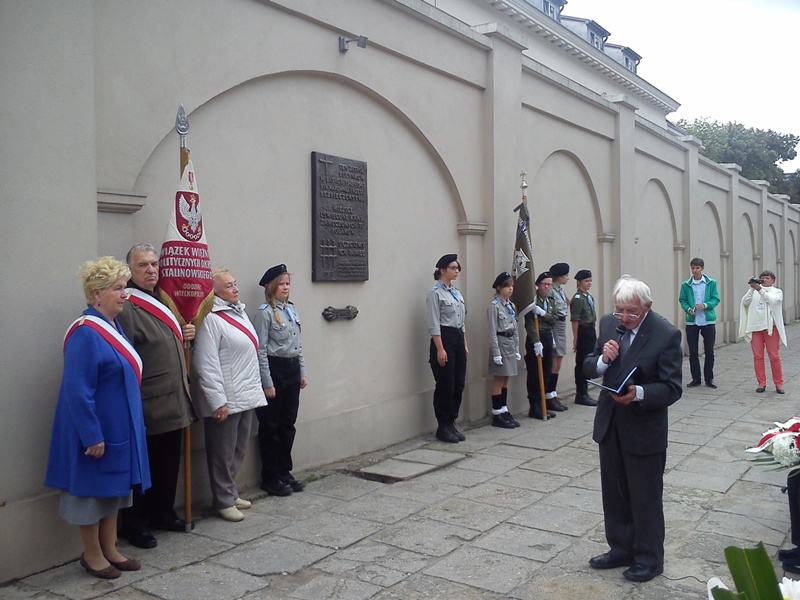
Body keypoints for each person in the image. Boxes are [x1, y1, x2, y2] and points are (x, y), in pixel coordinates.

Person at [45, 257, 150, 579]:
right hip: (94, 431)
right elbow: (78, 391)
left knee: (113, 489)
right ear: (96, 294)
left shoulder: (113, 327)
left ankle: (110, 548)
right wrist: (91, 435)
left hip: (118, 427)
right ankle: (92, 554)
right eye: (118, 289)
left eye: (124, 289)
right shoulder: (86, 334)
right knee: (91, 494)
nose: (124, 295)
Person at [583, 275, 682, 583]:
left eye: (631, 312)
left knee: (644, 497)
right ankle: (620, 548)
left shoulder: (665, 334)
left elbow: (671, 388)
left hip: (643, 429)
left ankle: (650, 558)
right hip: (610, 424)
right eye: (619, 311)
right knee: (614, 493)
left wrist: (639, 393)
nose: (624, 318)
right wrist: (602, 359)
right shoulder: (607, 324)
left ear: (647, 307)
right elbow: (587, 365)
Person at [116, 243, 196, 549]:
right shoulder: (129, 305)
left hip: (175, 397)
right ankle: (137, 524)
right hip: (149, 398)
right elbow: (128, 353)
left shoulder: (163, 299)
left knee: (167, 462)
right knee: (144, 465)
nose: (151, 270)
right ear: (131, 271)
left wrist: (186, 334)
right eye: (143, 266)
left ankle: (164, 512)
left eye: (154, 264)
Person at [191, 268, 266, 521]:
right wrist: (217, 401)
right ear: (215, 293)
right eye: (228, 286)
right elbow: (206, 364)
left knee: (237, 449)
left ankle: (230, 492)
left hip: (245, 393)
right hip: (226, 398)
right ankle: (222, 499)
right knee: (221, 453)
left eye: (235, 284)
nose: (235, 289)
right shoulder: (211, 319)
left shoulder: (239, 312)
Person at [254, 264, 308, 496]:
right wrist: (267, 382)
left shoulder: (292, 310)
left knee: (288, 424)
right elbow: (261, 350)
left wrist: (302, 372)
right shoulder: (265, 313)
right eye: (282, 284)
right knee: (271, 426)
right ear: (271, 287)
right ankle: (270, 476)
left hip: (292, 370)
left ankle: (285, 471)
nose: (286, 288)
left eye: (288, 284)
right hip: (275, 371)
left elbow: (298, 345)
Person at [426, 254, 469, 443]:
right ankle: (443, 425)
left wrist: (465, 345)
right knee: (446, 384)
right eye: (453, 267)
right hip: (444, 339)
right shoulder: (435, 294)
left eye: (457, 267)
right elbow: (434, 324)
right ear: (442, 270)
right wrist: (440, 349)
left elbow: (462, 322)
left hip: (458, 338)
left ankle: (451, 421)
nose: (456, 270)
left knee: (458, 383)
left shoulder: (456, 293)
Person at [739, 270, 786, 394]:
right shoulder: (754, 291)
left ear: (773, 280)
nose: (765, 280)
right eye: (762, 278)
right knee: (758, 356)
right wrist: (752, 288)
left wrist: (760, 289)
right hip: (756, 327)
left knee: (774, 356)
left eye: (767, 278)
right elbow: (745, 302)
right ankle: (761, 382)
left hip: (771, 328)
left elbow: (772, 301)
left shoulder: (777, 291)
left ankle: (779, 383)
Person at [678, 258, 720, 389]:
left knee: (709, 351)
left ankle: (709, 378)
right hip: (692, 322)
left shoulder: (711, 283)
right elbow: (682, 299)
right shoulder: (686, 285)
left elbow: (716, 298)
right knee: (693, 351)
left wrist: (706, 305)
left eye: (697, 268)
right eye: (693, 268)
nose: (695, 270)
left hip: (708, 320)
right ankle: (696, 378)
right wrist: (688, 309)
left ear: (702, 268)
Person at [487, 272, 521, 428]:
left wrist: (516, 348)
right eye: (507, 286)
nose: (510, 289)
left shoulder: (510, 305)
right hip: (500, 344)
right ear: (499, 288)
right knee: (499, 379)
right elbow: (492, 331)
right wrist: (495, 353)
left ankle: (504, 409)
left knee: (506, 378)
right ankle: (496, 413)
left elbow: (514, 328)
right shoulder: (494, 307)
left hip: (509, 343)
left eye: (512, 286)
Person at [525, 271, 560, 419]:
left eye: (549, 285)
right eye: (544, 284)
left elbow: (554, 319)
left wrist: (543, 314)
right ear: (538, 285)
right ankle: (534, 406)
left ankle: (543, 404)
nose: (547, 287)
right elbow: (530, 323)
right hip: (536, 339)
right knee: (534, 374)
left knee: (546, 372)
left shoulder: (550, 301)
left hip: (547, 336)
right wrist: (535, 341)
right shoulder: (533, 301)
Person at [571, 269, 598, 407]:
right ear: (579, 282)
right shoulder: (578, 299)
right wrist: (575, 338)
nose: (589, 283)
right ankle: (581, 393)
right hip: (583, 331)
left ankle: (585, 391)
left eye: (590, 281)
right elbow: (575, 319)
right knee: (582, 362)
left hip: (590, 330)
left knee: (588, 361)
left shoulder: (588, 296)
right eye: (586, 281)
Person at [548, 262, 570, 408]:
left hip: (561, 325)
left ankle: (553, 393)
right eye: (566, 276)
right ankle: (549, 395)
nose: (567, 278)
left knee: (559, 361)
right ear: (560, 277)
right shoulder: (551, 291)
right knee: (554, 363)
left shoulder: (560, 291)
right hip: (555, 326)